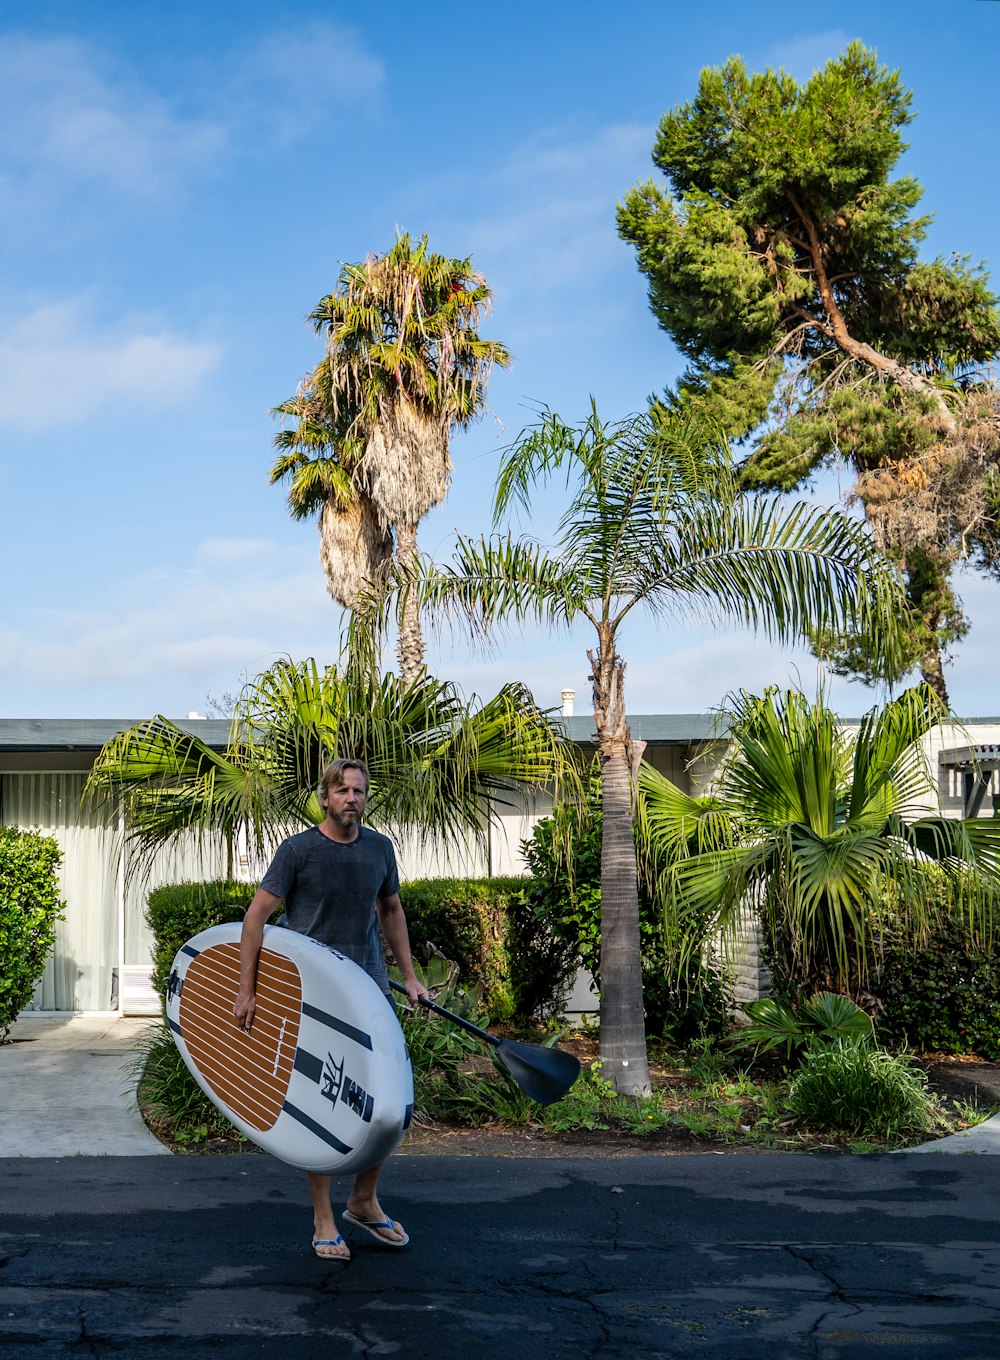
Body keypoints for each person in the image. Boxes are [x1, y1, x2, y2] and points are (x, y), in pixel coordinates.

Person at [234, 757, 429, 1263]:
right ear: (325, 797)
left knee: (393, 1100)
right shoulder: (298, 850)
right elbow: (256, 917)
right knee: (320, 1107)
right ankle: (324, 1218)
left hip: (369, 990)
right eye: (341, 790)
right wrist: (247, 989)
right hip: (313, 997)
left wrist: (409, 977)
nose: (351, 798)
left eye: (358, 791)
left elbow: (391, 912)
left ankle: (364, 1199)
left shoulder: (379, 850)